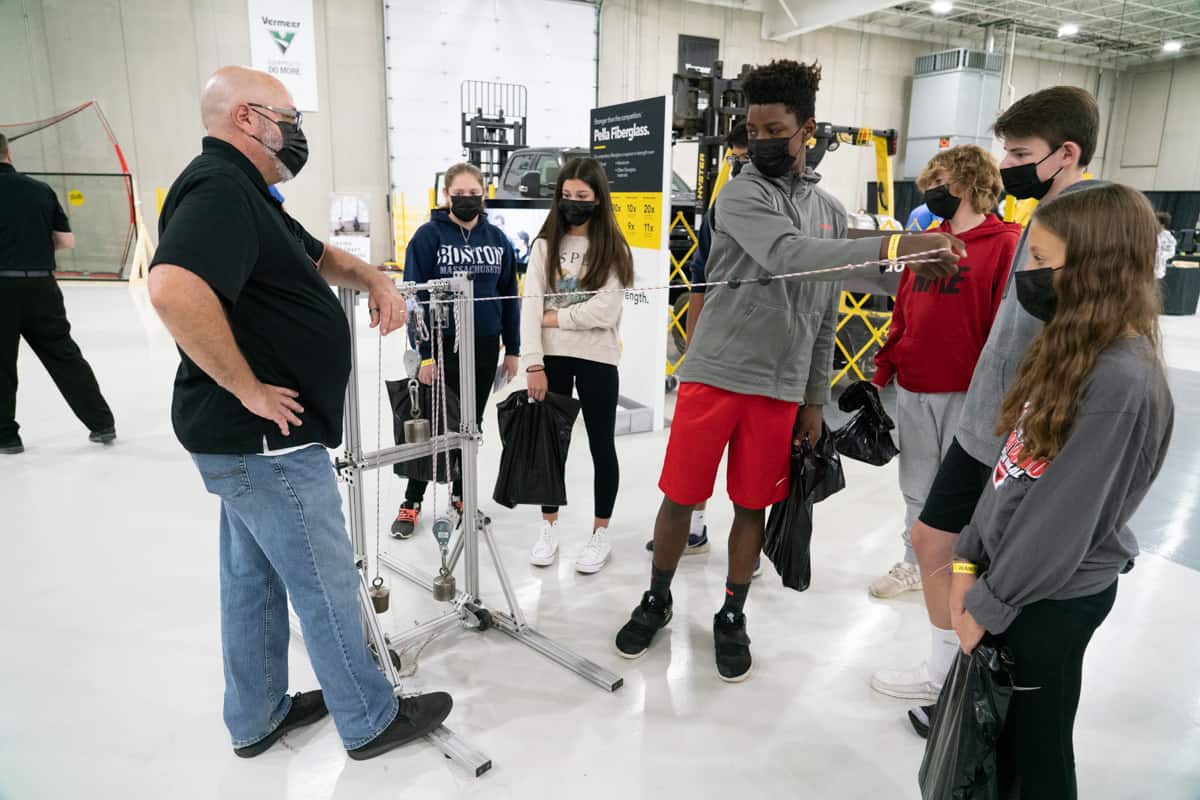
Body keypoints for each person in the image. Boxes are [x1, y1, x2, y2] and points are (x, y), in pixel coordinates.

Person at [612, 59, 964, 682]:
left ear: (806, 129)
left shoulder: (828, 209)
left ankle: (732, 613)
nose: (760, 142)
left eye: (775, 129)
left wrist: (811, 400)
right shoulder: (742, 191)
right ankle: (657, 596)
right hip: (715, 373)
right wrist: (894, 247)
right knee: (681, 496)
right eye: (752, 130)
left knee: (753, 506)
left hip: (779, 389)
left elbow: (825, 314)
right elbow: (788, 255)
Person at [147, 66, 451, 761]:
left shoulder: (250, 194)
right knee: (324, 582)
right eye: (289, 117)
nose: (296, 131)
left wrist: (374, 276)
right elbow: (170, 289)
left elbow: (317, 257)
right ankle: (369, 718)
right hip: (266, 442)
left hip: (243, 447)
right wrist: (249, 387)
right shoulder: (221, 189)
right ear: (249, 119)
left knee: (251, 581)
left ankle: (257, 714)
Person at [870, 85, 1107, 733]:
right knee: (936, 536)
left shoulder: (1075, 224)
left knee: (965, 549)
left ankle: (961, 682)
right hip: (981, 418)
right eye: (1004, 150)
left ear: (1066, 153)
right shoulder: (1038, 219)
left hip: (1003, 425)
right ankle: (948, 669)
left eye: (1019, 152)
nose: (1009, 163)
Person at [948, 184, 1173, 797]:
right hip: (1010, 586)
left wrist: (989, 605)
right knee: (1007, 747)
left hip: (1046, 603)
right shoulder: (1072, 348)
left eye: (1043, 263)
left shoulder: (1120, 380)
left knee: (1035, 755)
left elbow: (1059, 525)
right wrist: (968, 556)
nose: (1029, 274)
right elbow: (1009, 473)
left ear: (1099, 270)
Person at [869, 146, 1020, 599]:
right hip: (915, 384)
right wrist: (884, 367)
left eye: (940, 184)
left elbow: (1004, 326)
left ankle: (962, 568)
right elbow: (905, 312)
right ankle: (915, 562)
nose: (932, 193)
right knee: (915, 484)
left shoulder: (1005, 244)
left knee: (962, 489)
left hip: (968, 391)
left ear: (969, 184)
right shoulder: (927, 241)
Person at [390, 162, 520, 539]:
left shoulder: (497, 240)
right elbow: (414, 299)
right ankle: (412, 500)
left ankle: (461, 495)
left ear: (484, 194)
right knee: (432, 425)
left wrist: (513, 348)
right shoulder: (428, 238)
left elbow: (509, 296)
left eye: (473, 193)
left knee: (469, 424)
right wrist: (425, 353)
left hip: (483, 346)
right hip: (442, 347)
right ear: (446, 196)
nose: (467, 200)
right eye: (459, 194)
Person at [522, 157, 633, 574]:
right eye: (567, 196)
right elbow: (529, 306)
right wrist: (533, 362)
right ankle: (548, 527)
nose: (573, 203)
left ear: (598, 199)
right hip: (551, 359)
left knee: (601, 445)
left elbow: (605, 311)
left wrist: (555, 317)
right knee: (552, 445)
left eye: (582, 197)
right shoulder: (544, 246)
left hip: (598, 359)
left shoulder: (613, 249)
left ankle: (599, 532)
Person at [644, 122, 750, 556]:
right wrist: (691, 348)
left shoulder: (793, 210)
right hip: (714, 354)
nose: (738, 166)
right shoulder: (721, 207)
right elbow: (698, 281)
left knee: (752, 469)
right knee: (695, 456)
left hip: (764, 358)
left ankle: (749, 550)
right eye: (734, 159)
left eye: (745, 158)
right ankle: (696, 528)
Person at [0, 131, 116, 454]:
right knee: (64, 355)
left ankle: (7, 437)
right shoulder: (40, 190)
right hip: (41, 286)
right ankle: (102, 423)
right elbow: (66, 241)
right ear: (8, 154)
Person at [1155, 211, 1176, 280]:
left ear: (1162, 225)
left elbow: (1171, 253)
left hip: (1158, 272)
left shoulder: (1169, 238)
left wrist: (1159, 255)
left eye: (1155, 222)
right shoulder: (1152, 235)